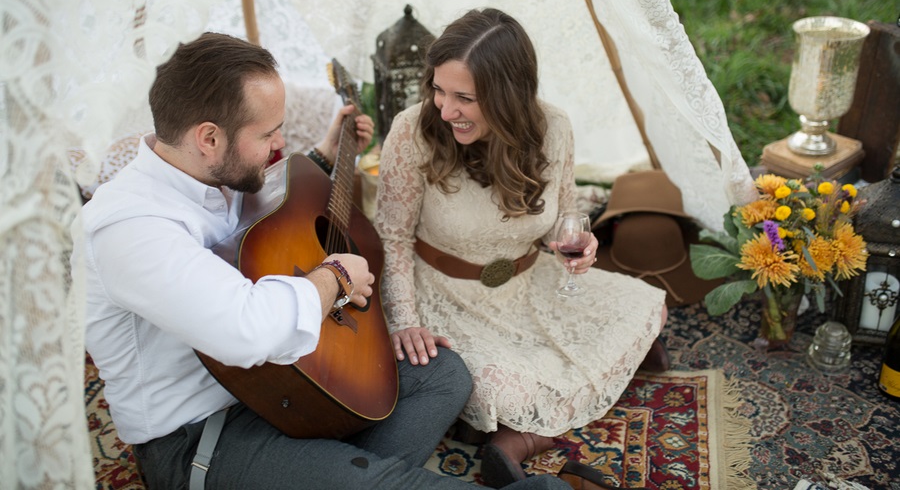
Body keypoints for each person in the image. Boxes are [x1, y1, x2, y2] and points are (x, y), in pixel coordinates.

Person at [74, 31, 606, 490]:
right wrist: (332, 276)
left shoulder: (212, 171)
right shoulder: (129, 228)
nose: (281, 142)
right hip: (204, 433)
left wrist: (327, 156)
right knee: (378, 482)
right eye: (268, 134)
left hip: (291, 385)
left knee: (441, 374)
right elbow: (246, 328)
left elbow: (273, 204)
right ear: (208, 138)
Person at [374, 9, 669, 488]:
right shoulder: (414, 131)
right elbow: (392, 236)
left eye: (463, 98)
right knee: (495, 388)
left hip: (531, 279)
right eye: (438, 89)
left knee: (648, 306)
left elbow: (565, 216)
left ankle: (523, 432)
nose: (445, 109)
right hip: (446, 292)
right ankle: (527, 430)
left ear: (507, 96)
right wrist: (405, 320)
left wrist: (580, 244)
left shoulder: (554, 127)